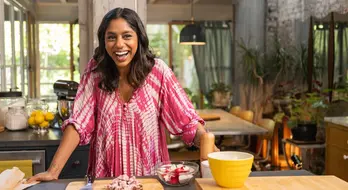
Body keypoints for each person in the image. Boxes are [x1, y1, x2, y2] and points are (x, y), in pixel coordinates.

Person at [28, 7, 217, 182]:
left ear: (138, 38)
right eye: (111, 37)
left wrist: (214, 153)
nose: (119, 44)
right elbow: (78, 123)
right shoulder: (95, 72)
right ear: (104, 40)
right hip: (105, 181)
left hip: (150, 180)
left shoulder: (158, 72)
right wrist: (53, 171)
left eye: (127, 36)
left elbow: (188, 122)